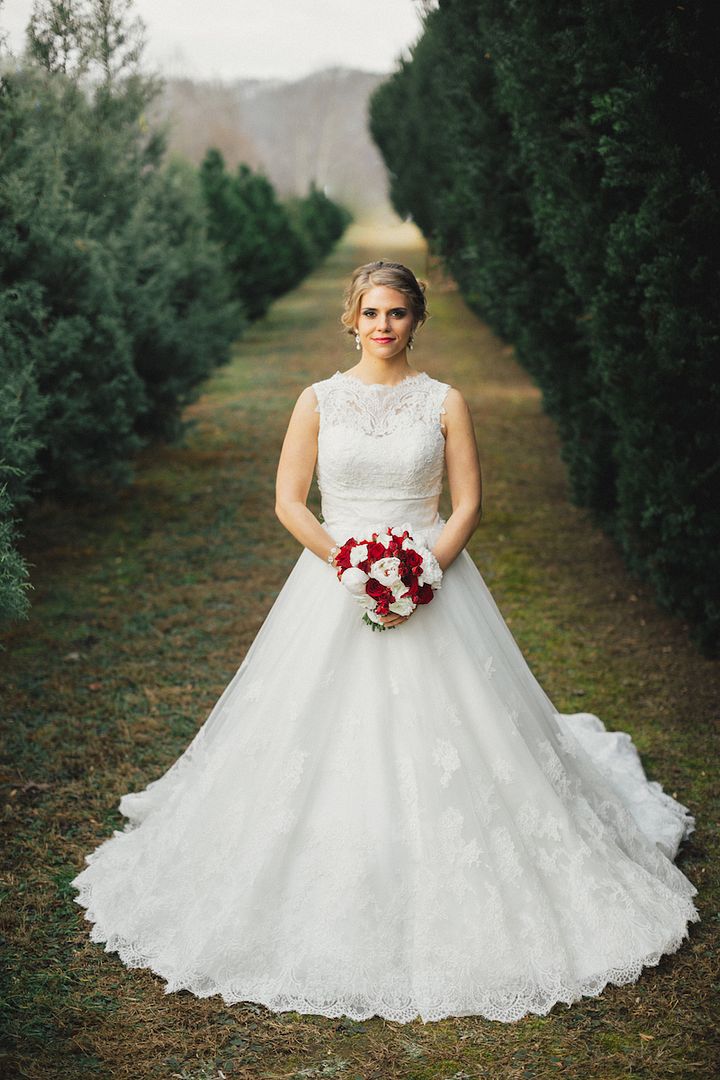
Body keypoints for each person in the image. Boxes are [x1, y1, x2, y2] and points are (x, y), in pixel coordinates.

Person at [71, 259, 699, 1025]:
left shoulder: (445, 402)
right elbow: (288, 500)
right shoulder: (318, 400)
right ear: (350, 318)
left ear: (416, 319)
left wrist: (418, 575)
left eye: (397, 313)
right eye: (371, 312)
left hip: (433, 576)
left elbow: (466, 504)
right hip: (335, 582)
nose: (383, 326)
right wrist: (354, 568)